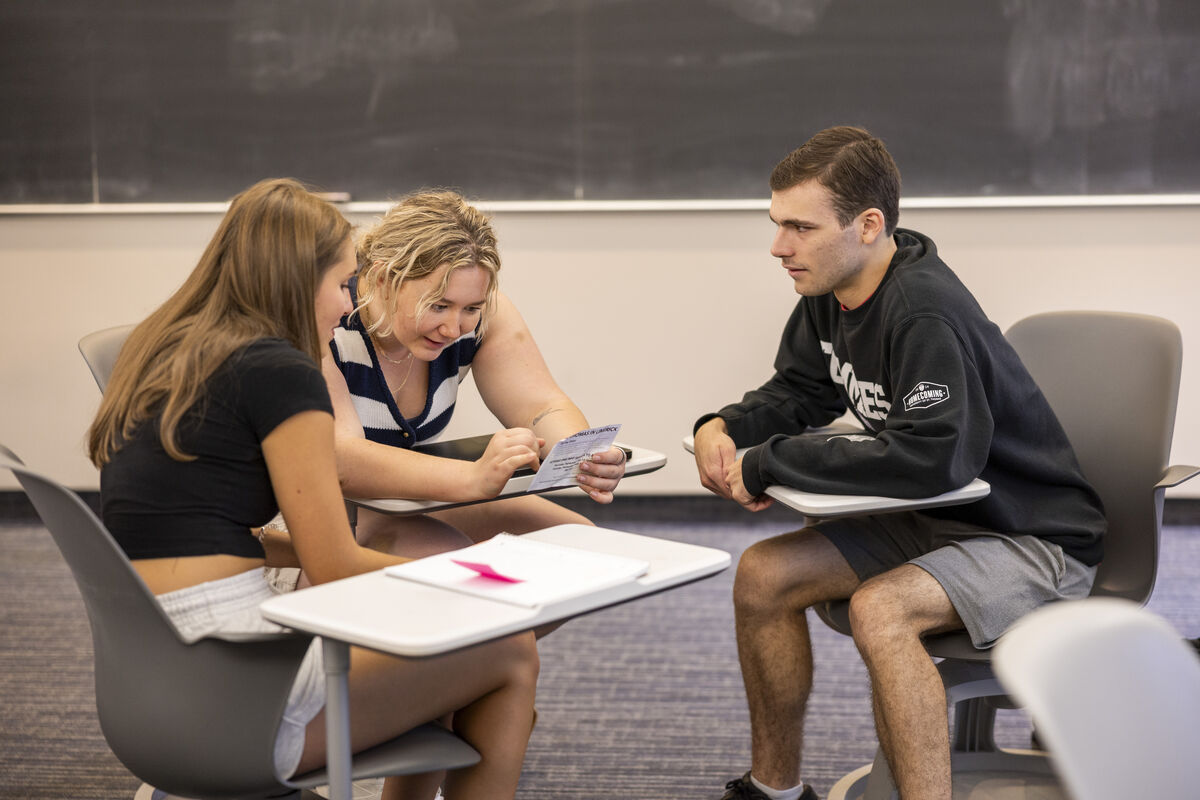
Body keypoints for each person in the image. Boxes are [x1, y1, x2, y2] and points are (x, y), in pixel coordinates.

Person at [87, 178, 538, 800]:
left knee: (455, 655)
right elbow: (334, 566)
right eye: (342, 282)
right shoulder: (279, 371)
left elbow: (216, 532)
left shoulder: (160, 348)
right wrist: (475, 583)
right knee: (508, 649)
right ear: (293, 278)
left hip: (146, 680)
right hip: (238, 691)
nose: (347, 301)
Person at [691, 127, 1106, 800]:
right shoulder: (832, 289)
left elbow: (935, 458)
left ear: (868, 225)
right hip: (940, 521)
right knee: (764, 574)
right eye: (776, 225)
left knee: (880, 609)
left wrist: (774, 461)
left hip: (1031, 538)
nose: (779, 247)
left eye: (799, 227)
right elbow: (801, 391)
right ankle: (774, 790)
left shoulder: (923, 311)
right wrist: (723, 426)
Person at [323, 189, 627, 559]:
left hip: (405, 499)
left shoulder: (483, 317)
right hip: (315, 505)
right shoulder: (328, 320)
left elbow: (541, 405)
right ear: (383, 277)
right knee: (446, 559)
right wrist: (472, 477)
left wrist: (583, 453)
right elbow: (342, 459)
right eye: (437, 305)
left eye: (471, 307)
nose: (454, 329)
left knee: (577, 544)